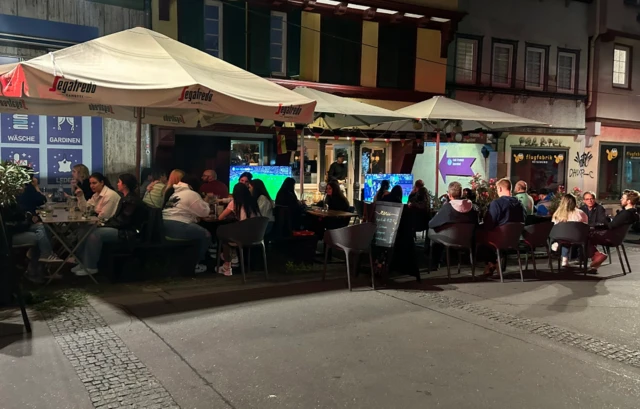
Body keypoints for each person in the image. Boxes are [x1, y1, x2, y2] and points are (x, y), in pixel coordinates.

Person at [71, 174, 147, 276]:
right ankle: (83, 263)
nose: (117, 184)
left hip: (127, 232)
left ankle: (91, 266)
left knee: (95, 234)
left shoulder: (131, 200)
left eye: (119, 182)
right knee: (85, 231)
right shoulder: (125, 198)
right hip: (119, 227)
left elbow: (124, 221)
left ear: (124, 185)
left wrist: (105, 224)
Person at [163, 175, 212, 274]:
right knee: (206, 234)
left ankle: (186, 262)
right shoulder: (191, 194)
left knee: (198, 232)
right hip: (178, 225)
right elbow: (204, 212)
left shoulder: (175, 193)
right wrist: (206, 201)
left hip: (164, 225)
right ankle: (194, 264)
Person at [15, 171, 63, 265]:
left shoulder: (19, 190)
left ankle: (37, 257)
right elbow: (42, 200)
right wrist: (36, 186)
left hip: (22, 222)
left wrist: (29, 216)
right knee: (41, 227)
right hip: (17, 227)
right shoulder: (28, 188)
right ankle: (45, 254)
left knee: (45, 227)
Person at [428, 181, 479, 270]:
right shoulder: (471, 207)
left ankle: (433, 264)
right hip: (467, 239)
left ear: (449, 195)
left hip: (450, 239)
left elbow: (432, 223)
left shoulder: (448, 207)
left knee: (433, 231)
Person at [480, 178, 526, 275]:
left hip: (499, 238)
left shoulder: (496, 204)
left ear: (500, 189)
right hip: (514, 239)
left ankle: (491, 263)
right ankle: (495, 263)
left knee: (480, 234)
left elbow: (489, 224)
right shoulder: (520, 205)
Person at [217, 183, 261, 276]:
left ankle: (227, 266)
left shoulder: (235, 202)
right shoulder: (253, 201)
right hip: (257, 235)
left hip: (243, 236)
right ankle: (232, 257)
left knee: (224, 237)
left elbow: (220, 217)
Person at [588, 190, 640, 269]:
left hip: (610, 238)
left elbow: (611, 226)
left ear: (629, 201)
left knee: (585, 235)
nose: (621, 200)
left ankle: (597, 256)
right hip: (618, 238)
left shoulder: (625, 213)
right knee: (591, 233)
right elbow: (615, 223)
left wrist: (598, 225)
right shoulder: (632, 214)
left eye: (623, 198)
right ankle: (596, 263)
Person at [551, 193, 588, 267]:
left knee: (562, 237)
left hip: (562, 237)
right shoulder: (580, 213)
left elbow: (554, 225)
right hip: (578, 238)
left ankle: (562, 254)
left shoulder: (557, 214)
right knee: (569, 237)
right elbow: (586, 224)